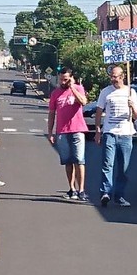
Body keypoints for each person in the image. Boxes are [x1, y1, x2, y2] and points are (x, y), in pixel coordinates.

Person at [94, 65, 137, 207]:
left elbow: (136, 117)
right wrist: (97, 130)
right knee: (107, 164)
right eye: (111, 76)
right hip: (110, 133)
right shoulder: (105, 92)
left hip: (126, 134)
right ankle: (105, 193)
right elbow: (99, 111)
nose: (113, 79)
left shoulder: (131, 92)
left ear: (122, 76)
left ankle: (119, 196)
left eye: (115, 76)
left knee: (123, 168)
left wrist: (132, 106)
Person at [47, 66, 89, 202]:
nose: (62, 82)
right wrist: (50, 132)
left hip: (77, 130)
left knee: (79, 160)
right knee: (67, 161)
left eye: (65, 79)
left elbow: (83, 102)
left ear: (71, 78)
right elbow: (52, 113)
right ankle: (72, 189)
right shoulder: (55, 93)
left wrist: (72, 88)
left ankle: (81, 190)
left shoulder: (78, 88)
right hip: (62, 131)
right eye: (61, 79)